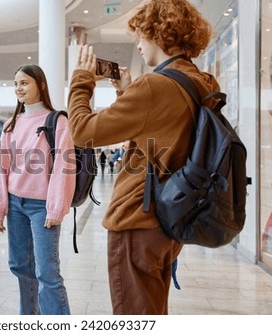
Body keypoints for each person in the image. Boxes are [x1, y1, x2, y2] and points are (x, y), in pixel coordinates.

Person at [67, 0, 218, 314]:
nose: (137, 44)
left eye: (140, 35)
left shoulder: (155, 86)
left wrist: (81, 80)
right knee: (153, 311)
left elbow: (83, 132)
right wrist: (127, 93)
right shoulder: (201, 83)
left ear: (159, 33)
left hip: (137, 220)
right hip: (168, 220)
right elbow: (158, 134)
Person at [0, 64, 75, 315]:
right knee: (20, 267)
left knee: (47, 273)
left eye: (24, 83)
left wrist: (56, 208)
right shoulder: (11, 125)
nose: (18, 88)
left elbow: (64, 166)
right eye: (16, 83)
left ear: (41, 85)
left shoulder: (57, 120)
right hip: (15, 205)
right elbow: (2, 170)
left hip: (42, 208)